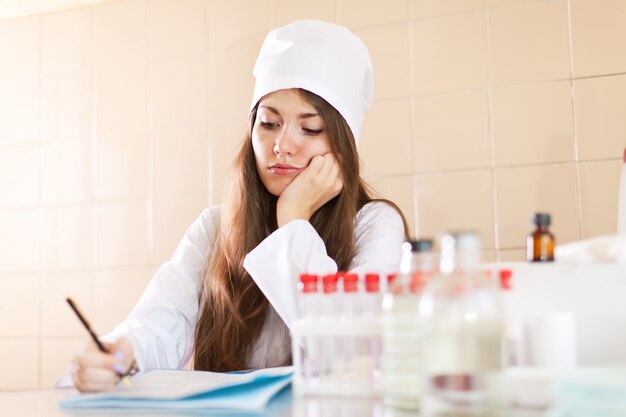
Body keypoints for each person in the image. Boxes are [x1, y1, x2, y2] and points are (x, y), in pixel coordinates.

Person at [70, 19, 408, 393]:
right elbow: (159, 324)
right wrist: (118, 356)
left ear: (344, 145)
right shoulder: (214, 228)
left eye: (309, 129)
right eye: (268, 123)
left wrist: (293, 219)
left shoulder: (376, 224)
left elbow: (352, 349)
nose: (282, 144)